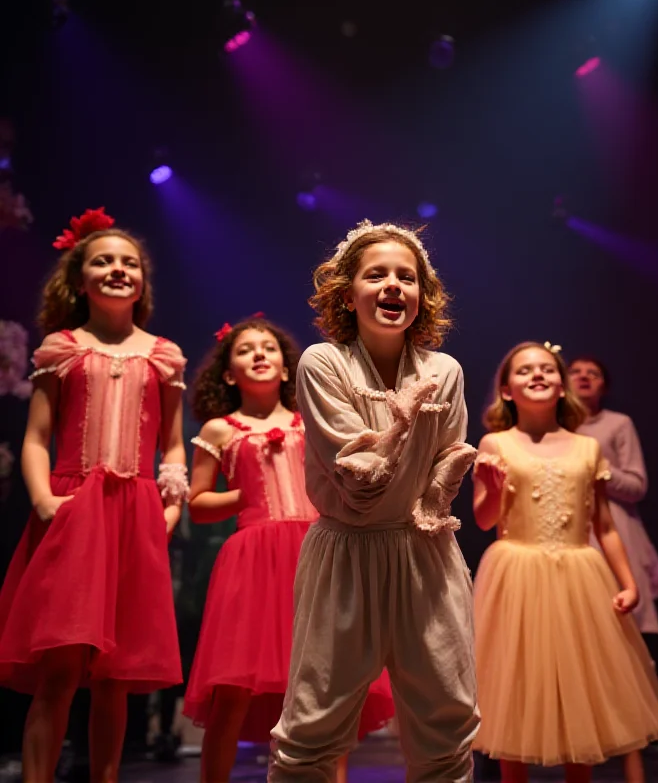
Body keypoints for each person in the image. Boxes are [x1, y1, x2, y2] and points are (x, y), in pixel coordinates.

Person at [269, 220, 480, 782]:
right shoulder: (322, 363)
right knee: (314, 723)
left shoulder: (445, 371)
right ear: (347, 292)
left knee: (448, 717)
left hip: (424, 552)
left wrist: (437, 482)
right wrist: (404, 424)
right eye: (377, 274)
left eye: (406, 277)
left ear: (422, 294)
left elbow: (445, 466)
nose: (393, 285)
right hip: (348, 551)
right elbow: (359, 483)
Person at [0, 208, 187, 782]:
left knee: (116, 675)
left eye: (128, 263)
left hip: (135, 517)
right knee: (60, 669)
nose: (117, 270)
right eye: (102, 261)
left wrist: (170, 509)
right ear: (80, 279)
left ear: (143, 282)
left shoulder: (162, 355)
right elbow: (35, 438)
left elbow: (174, 447)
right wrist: (43, 500)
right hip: (72, 512)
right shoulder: (62, 348)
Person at [183, 315, 393, 783]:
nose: (258, 354)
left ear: (284, 368)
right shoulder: (221, 429)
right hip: (253, 561)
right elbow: (197, 504)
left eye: (268, 348)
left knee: (328, 682)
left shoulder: (310, 419)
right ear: (227, 372)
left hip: (315, 551)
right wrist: (246, 495)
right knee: (233, 687)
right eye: (245, 349)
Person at [472, 341, 658, 783]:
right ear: (506, 390)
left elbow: (604, 525)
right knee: (515, 689)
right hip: (517, 574)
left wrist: (628, 582)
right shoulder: (495, 442)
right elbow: (486, 520)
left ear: (562, 385)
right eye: (525, 371)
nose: (538, 375)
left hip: (578, 576)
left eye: (547, 368)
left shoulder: (587, 447)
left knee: (578, 694)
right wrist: (491, 485)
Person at [569, 357, 658, 636]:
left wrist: (595, 466)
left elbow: (637, 486)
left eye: (594, 373)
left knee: (619, 620)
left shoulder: (617, 423)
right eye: (576, 371)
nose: (584, 376)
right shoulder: (553, 428)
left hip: (612, 526)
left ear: (604, 386)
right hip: (566, 526)